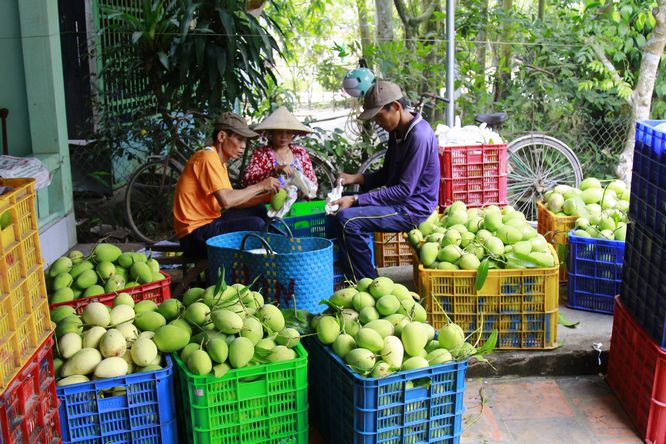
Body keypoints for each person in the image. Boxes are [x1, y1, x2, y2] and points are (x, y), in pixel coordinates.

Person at [331, 80, 440, 281]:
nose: (377, 123)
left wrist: (356, 200)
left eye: (379, 117)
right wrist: (355, 178)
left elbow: (403, 191)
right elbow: (387, 173)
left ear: (396, 107)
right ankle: (347, 270)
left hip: (412, 209)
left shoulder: (419, 136)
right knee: (336, 206)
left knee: (347, 221)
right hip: (399, 202)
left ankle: (368, 283)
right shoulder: (396, 131)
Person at [173, 112, 281, 258]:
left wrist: (265, 198)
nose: (243, 146)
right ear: (222, 137)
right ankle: (269, 261)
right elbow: (227, 201)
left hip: (209, 224)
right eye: (239, 139)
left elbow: (234, 202)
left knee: (260, 210)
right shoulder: (207, 158)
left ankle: (277, 251)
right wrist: (260, 186)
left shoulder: (218, 161)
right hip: (193, 237)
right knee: (255, 224)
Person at [242, 106, 318, 193]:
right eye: (279, 132)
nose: (284, 136)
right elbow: (248, 180)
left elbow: (312, 182)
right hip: (267, 201)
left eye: (288, 132)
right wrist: (275, 171)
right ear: (271, 133)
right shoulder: (261, 154)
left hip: (298, 202)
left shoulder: (300, 153)